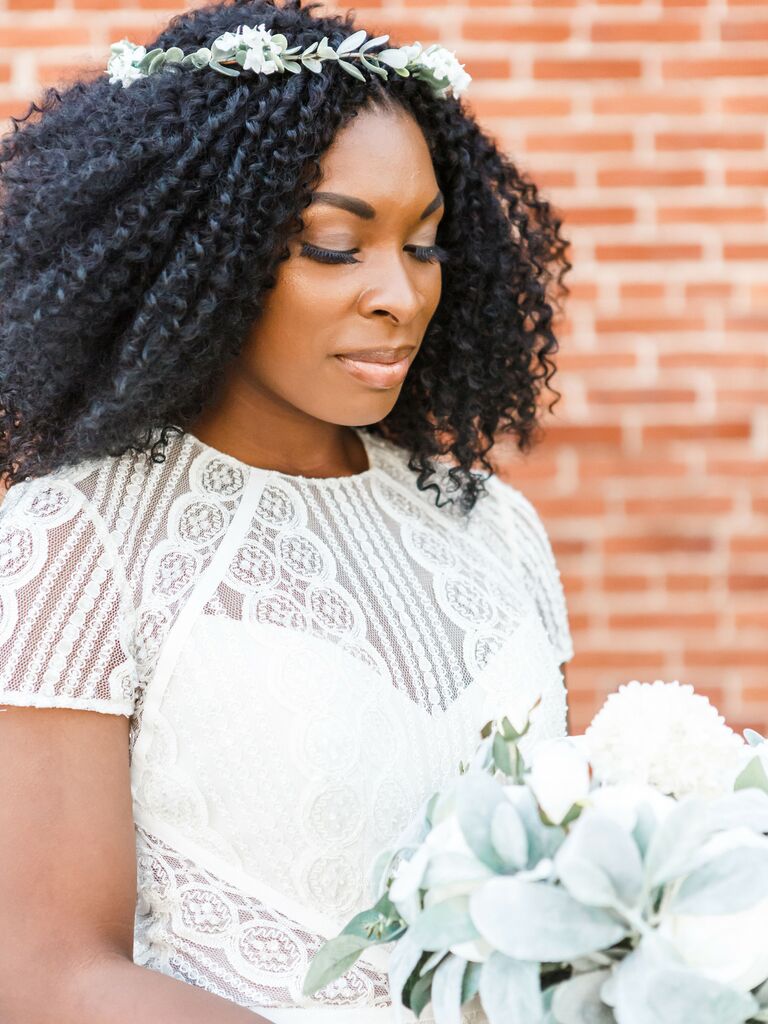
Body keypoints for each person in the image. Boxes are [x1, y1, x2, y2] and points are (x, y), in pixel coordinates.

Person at [0, 0, 574, 1020]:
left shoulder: (493, 526)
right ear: (196, 252)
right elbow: (46, 974)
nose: (400, 293)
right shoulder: (77, 541)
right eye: (334, 245)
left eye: (427, 244)